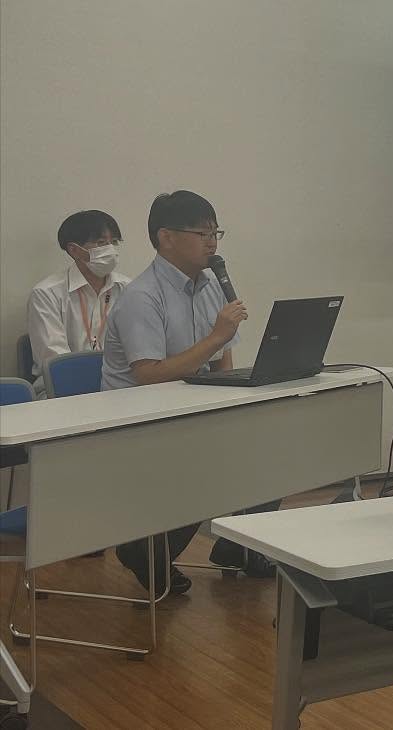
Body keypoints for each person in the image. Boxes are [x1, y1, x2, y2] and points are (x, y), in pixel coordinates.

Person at [101, 190, 271, 595]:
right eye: (202, 233)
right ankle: (143, 551)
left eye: (216, 233)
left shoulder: (209, 284)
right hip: (138, 422)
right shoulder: (141, 297)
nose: (212, 243)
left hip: (188, 411)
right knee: (205, 467)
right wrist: (216, 337)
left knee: (271, 447)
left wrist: (231, 402)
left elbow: (222, 359)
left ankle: (237, 547)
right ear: (167, 238)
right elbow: (149, 375)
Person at [26, 210, 131, 387]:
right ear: (74, 250)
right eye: (101, 243)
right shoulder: (46, 294)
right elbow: (56, 363)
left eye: (113, 242)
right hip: (63, 388)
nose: (110, 250)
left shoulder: (128, 288)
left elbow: (136, 348)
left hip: (118, 384)